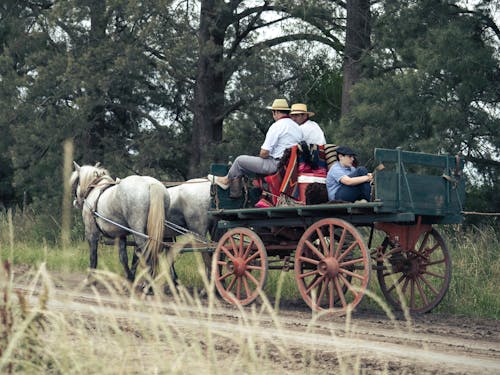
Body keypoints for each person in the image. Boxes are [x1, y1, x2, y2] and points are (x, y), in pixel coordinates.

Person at [208, 98, 303, 189]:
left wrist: (262, 156)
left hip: (276, 165)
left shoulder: (277, 126)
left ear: (276, 112)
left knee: (239, 160)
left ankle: (226, 181)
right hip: (292, 166)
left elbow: (264, 153)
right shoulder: (297, 127)